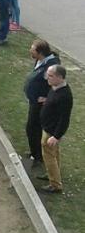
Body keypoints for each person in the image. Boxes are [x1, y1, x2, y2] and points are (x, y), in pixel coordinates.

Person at [23, 39, 60, 167]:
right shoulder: (40, 60)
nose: (30, 51)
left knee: (33, 128)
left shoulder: (52, 67)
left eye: (32, 49)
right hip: (34, 101)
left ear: (40, 53)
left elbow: (57, 85)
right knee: (33, 128)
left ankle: (38, 156)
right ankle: (35, 152)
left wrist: (47, 99)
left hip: (41, 104)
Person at [38, 64, 74, 194]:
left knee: (49, 156)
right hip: (48, 127)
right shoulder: (55, 87)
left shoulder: (65, 96)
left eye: (51, 76)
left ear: (60, 77)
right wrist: (47, 101)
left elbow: (64, 119)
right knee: (54, 154)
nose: (47, 78)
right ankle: (53, 174)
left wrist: (56, 136)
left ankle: (55, 184)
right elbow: (54, 102)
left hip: (51, 132)